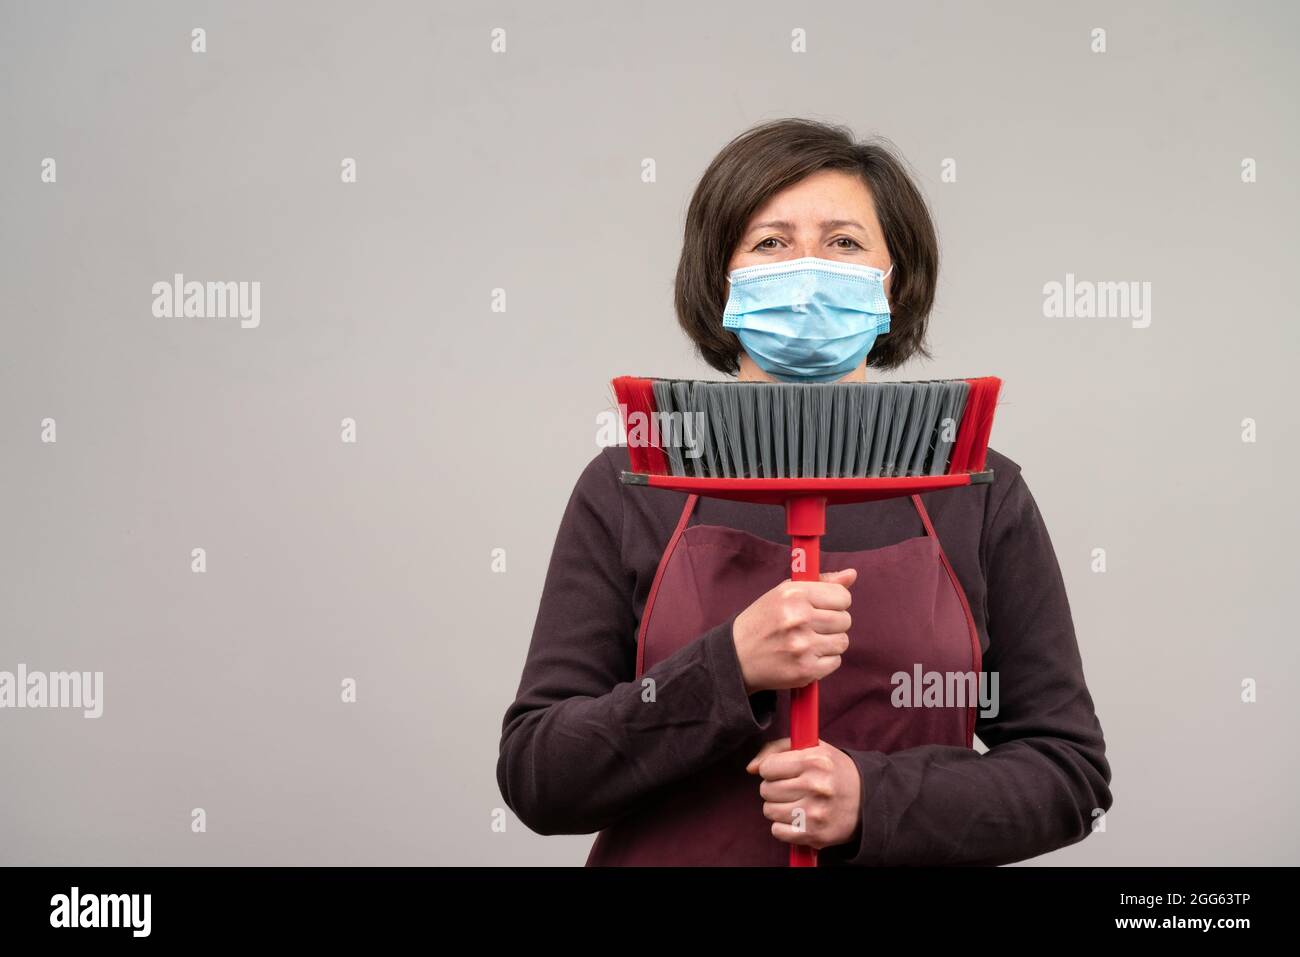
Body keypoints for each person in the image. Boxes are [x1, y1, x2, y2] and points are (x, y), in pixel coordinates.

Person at [496, 117, 1113, 866]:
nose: (808, 269)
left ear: (895, 279)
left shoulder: (976, 489)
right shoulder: (635, 481)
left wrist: (873, 799)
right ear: (719, 276)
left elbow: (1068, 773)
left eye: (845, 243)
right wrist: (728, 668)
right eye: (771, 243)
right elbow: (539, 775)